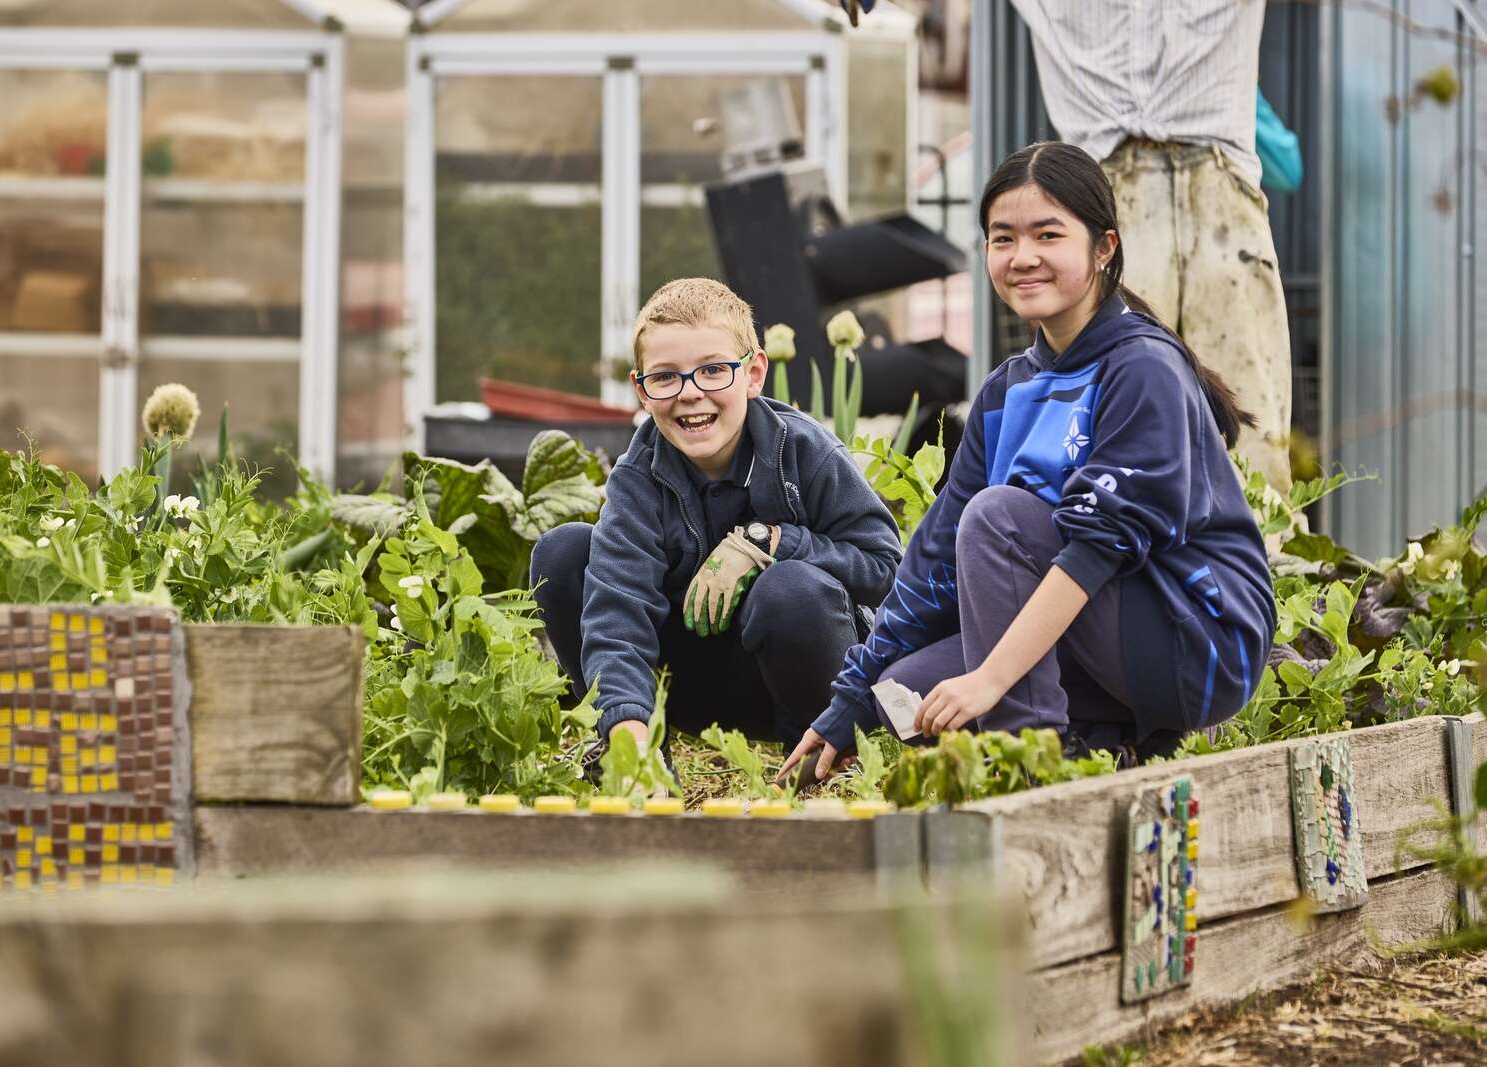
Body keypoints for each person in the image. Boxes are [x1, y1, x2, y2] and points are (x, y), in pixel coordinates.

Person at [777, 142, 1276, 783]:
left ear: (1103, 249)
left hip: (1194, 639)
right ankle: (1111, 742)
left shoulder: (1141, 367)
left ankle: (1034, 763)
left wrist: (990, 680)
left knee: (998, 518)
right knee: (903, 695)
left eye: (1048, 235)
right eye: (1002, 238)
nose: (1022, 257)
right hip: (1101, 633)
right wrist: (845, 703)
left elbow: (1096, 548)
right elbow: (934, 559)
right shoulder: (1006, 391)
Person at [531, 278, 901, 764]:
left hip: (796, 679)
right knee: (562, 552)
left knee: (790, 587)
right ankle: (638, 752)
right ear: (641, 391)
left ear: (753, 374)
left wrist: (775, 542)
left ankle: (822, 757)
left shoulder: (806, 454)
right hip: (684, 686)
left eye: (712, 370)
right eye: (665, 377)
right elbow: (617, 611)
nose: (690, 393)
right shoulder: (638, 477)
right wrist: (626, 720)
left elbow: (886, 571)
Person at [1007, 0, 1294, 494]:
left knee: (1253, 440)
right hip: (1107, 200)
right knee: (1110, 428)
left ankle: (1258, 564)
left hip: (1220, 192)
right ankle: (1106, 562)